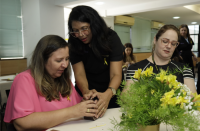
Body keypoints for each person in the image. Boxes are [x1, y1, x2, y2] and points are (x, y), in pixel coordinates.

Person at [4, 35, 98, 130]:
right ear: (43, 60)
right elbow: (22, 123)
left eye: (67, 59)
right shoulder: (24, 79)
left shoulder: (63, 78)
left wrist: (87, 102)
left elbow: (76, 105)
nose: (65, 65)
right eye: (59, 60)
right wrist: (72, 111)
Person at [68, 5, 124, 118]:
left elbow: (116, 74)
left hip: (111, 90)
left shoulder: (111, 38)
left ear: (94, 25)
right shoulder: (74, 41)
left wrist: (108, 94)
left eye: (84, 28)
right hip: (88, 92)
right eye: (76, 31)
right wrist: (86, 92)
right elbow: (79, 73)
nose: (80, 35)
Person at [124, 24, 197, 94]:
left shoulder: (184, 69)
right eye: (165, 41)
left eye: (173, 43)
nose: (169, 46)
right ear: (155, 40)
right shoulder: (136, 69)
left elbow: (193, 100)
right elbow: (126, 99)